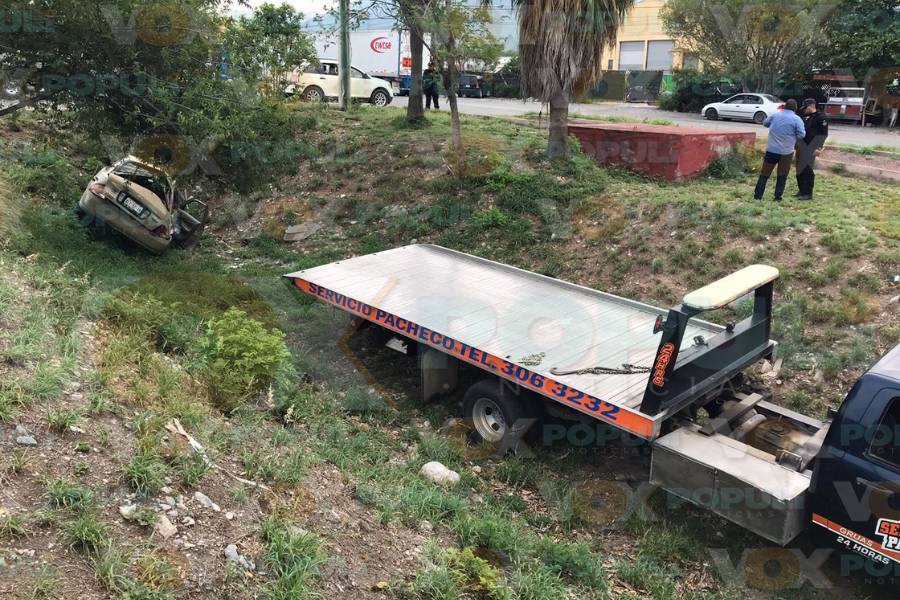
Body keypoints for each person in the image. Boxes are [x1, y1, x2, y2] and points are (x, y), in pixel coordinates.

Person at [753, 98, 806, 202]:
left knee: (764, 174)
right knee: (782, 175)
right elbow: (801, 134)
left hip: (771, 150)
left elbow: (765, 123)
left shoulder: (775, 115)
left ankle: (757, 196)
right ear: (795, 108)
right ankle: (777, 197)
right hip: (786, 153)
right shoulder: (797, 119)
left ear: (785, 106)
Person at [795, 98, 828, 200]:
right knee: (799, 169)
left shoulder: (820, 117)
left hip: (812, 147)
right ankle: (801, 190)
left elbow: (823, 134)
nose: (804, 110)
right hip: (801, 145)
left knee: (807, 169)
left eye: (806, 108)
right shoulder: (803, 115)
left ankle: (808, 193)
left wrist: (819, 148)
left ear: (810, 106)